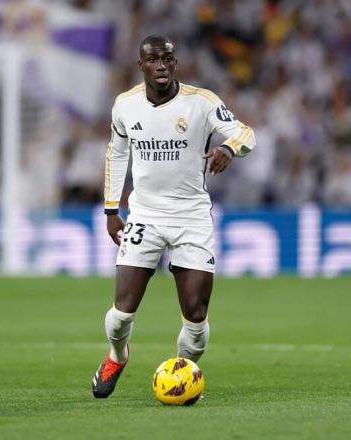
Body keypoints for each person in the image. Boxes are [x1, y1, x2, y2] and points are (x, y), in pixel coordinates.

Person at [92, 35, 256, 398]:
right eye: (153, 60)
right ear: (141, 66)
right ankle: (117, 356)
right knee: (121, 314)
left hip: (191, 218)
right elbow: (116, 156)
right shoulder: (125, 106)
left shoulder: (202, 103)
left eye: (167, 58)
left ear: (176, 63)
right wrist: (111, 211)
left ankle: (181, 374)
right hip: (145, 215)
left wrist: (229, 147)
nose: (161, 65)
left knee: (196, 317)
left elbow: (246, 133)